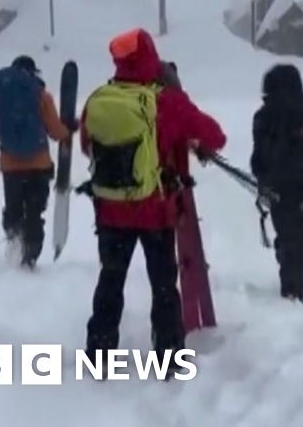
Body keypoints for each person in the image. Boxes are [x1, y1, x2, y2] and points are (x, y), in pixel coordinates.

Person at [79, 29, 226, 365]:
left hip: (110, 210)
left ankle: (99, 353)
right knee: (162, 285)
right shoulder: (166, 101)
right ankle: (168, 356)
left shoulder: (98, 99)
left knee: (110, 280)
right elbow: (216, 136)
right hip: (154, 212)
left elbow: (88, 145)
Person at [0, 55, 73, 269]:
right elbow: (56, 132)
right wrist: (68, 130)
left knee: (13, 208)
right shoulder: (41, 95)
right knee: (34, 212)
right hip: (39, 166)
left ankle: (13, 242)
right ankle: (30, 256)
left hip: (11, 167)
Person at [250, 64, 303, 303]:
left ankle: (294, 287)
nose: (266, 100)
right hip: (276, 188)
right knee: (287, 233)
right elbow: (258, 156)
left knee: (295, 234)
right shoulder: (263, 119)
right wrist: (263, 183)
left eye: (270, 95)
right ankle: (291, 279)